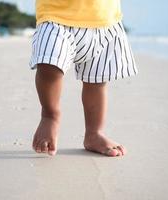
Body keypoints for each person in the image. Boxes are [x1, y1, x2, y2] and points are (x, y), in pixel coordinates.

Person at [29, 0, 138, 156]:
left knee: (97, 81)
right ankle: (50, 115)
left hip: (104, 21)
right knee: (49, 66)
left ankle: (94, 133)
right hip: (57, 16)